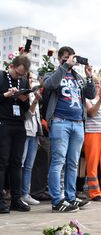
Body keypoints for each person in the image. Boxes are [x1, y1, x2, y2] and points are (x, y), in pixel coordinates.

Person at [44, 46, 96, 212]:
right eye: (66, 57)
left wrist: (89, 76)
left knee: (73, 163)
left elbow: (91, 94)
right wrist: (65, 66)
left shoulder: (77, 76)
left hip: (78, 123)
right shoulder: (52, 74)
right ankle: (57, 201)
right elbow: (50, 85)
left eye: (71, 57)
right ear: (61, 59)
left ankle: (70, 197)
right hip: (60, 122)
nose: (70, 60)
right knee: (58, 161)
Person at [0, 55, 31, 213]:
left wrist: (24, 99)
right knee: (2, 162)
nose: (19, 77)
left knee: (17, 163)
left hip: (19, 124)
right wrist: (6, 95)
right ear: (11, 66)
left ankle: (16, 199)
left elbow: (26, 108)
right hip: (3, 123)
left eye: (22, 75)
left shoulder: (24, 82)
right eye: (17, 73)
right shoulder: (1, 76)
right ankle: (0, 200)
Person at [21, 72, 42, 206]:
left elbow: (37, 117)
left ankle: (25, 193)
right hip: (24, 132)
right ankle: (18, 194)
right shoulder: (22, 95)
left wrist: (39, 133)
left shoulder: (34, 94)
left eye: (31, 79)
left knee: (29, 166)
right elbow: (27, 116)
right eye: (28, 78)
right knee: (20, 165)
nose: (30, 81)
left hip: (34, 133)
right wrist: (34, 101)